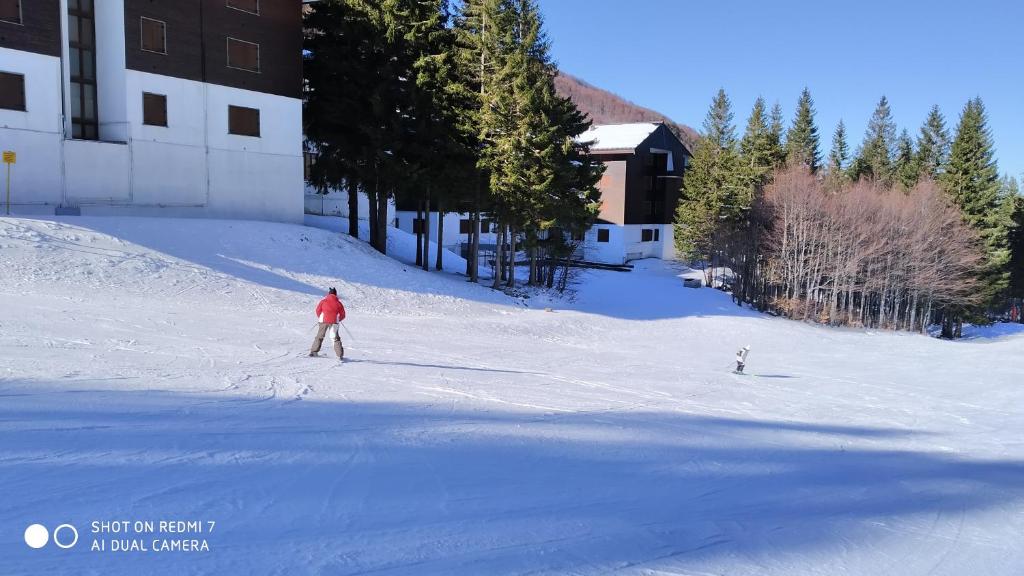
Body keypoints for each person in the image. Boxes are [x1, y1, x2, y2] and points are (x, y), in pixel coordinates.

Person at [310, 287, 346, 359]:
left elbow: (318, 310)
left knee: (319, 336)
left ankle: (314, 351)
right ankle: (340, 355)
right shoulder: (338, 303)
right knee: (335, 338)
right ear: (335, 294)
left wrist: (320, 317)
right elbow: (343, 314)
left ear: (329, 294)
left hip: (323, 321)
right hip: (334, 322)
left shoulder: (323, 301)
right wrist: (339, 319)